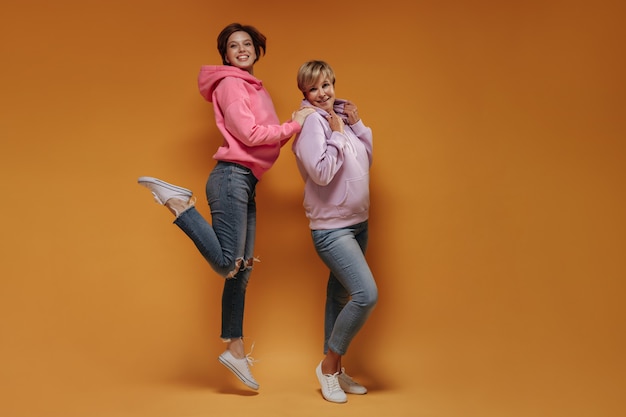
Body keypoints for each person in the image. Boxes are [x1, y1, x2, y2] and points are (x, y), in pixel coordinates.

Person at [137, 23, 315, 391]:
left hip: (245, 181)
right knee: (226, 265)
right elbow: (250, 136)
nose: (242, 49)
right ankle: (179, 203)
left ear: (256, 49)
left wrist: (290, 129)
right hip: (231, 177)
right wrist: (293, 124)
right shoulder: (232, 84)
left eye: (247, 43)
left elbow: (264, 145)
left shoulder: (252, 86)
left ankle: (234, 350)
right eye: (234, 46)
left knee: (240, 271)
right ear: (226, 54)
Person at [292, 60, 378, 403]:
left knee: (339, 297)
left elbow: (364, 161)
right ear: (305, 93)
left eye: (326, 85)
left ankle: (338, 371)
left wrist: (356, 126)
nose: (323, 93)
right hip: (332, 228)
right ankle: (327, 368)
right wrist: (339, 136)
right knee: (365, 295)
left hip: (358, 222)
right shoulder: (313, 123)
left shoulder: (337, 119)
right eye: (314, 88)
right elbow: (322, 173)